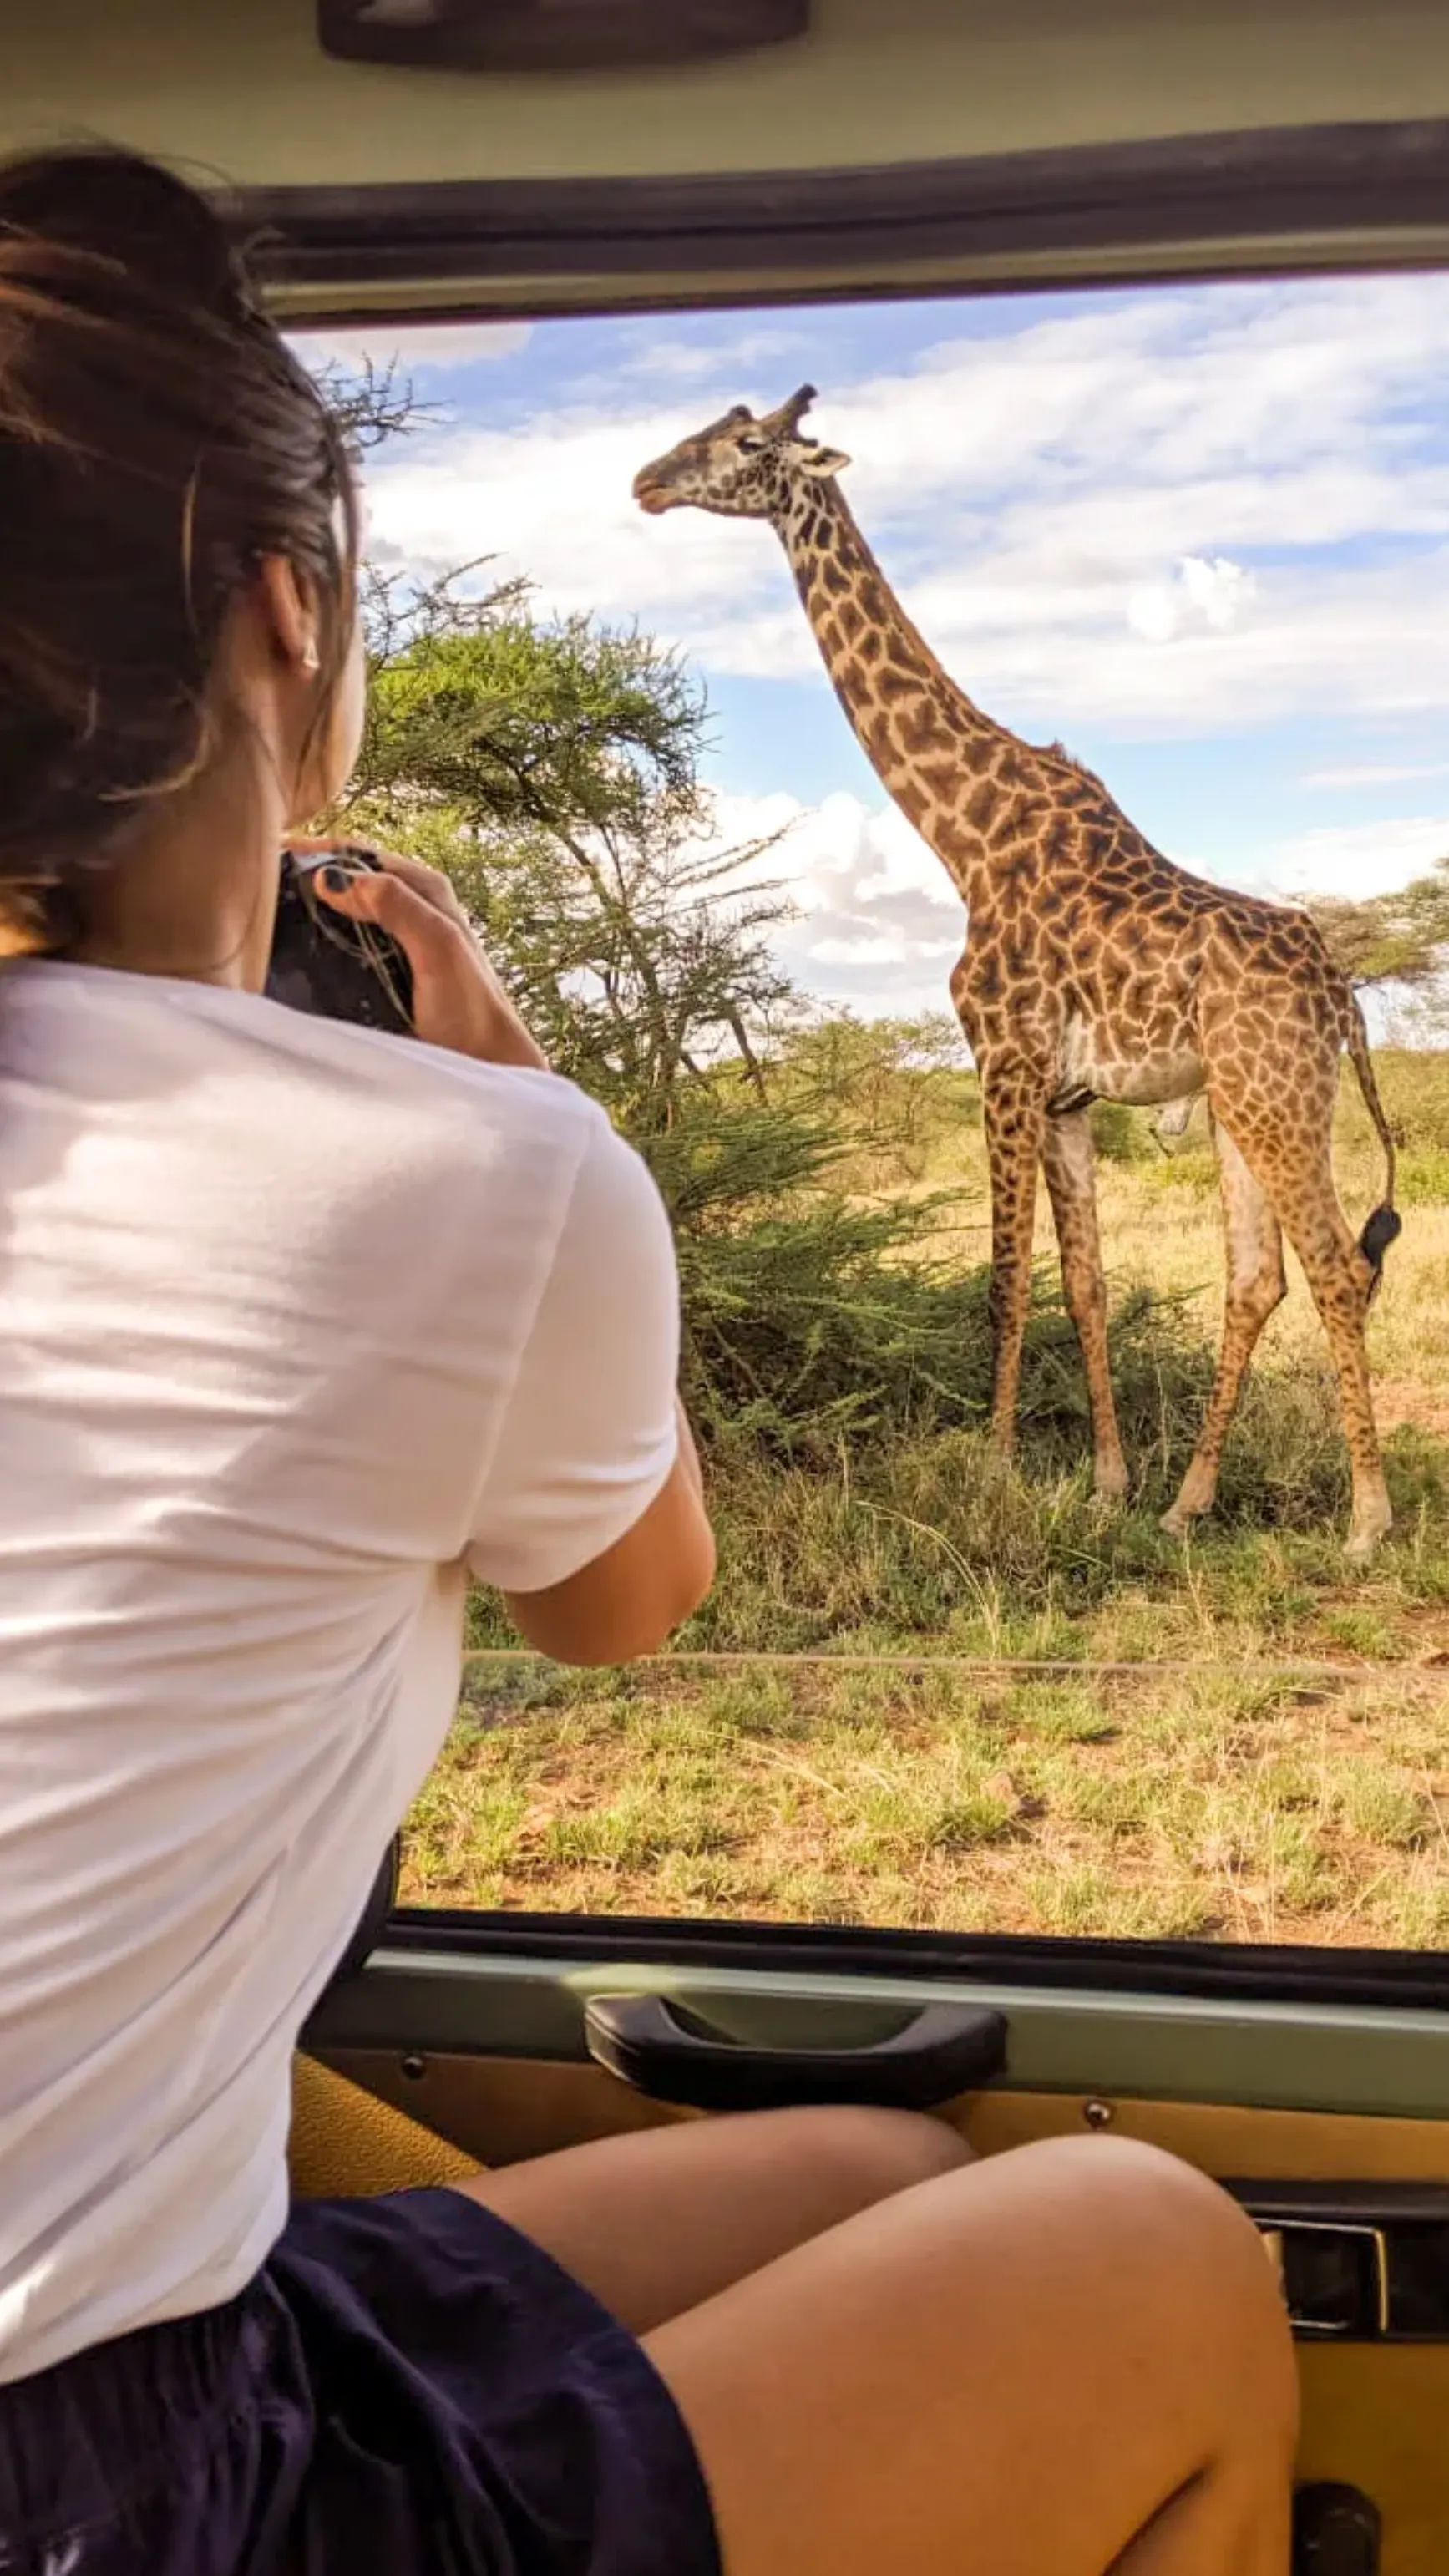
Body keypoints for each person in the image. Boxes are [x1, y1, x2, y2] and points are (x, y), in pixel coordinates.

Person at [0, 143, 1296, 2576]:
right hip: (102, 2472)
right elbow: (628, 1595)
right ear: (290, 618)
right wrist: (501, 1079)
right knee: (1165, 2250)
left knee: (884, 2160)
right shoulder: (467, 1177)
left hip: (143, 2334)